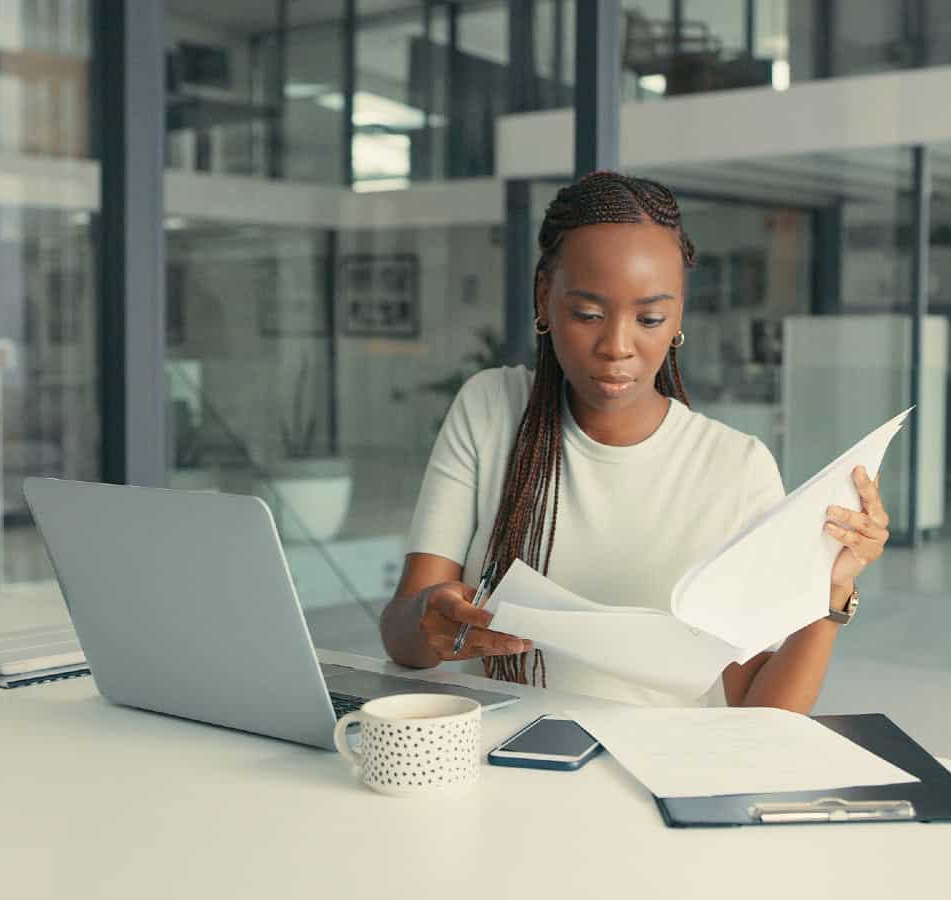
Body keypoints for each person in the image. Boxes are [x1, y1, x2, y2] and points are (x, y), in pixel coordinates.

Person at [379, 172, 888, 712]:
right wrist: (428, 622)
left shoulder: (736, 468)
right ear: (544, 295)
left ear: (678, 315)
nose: (617, 346)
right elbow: (402, 637)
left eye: (649, 317)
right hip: (495, 763)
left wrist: (828, 593)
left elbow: (761, 716)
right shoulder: (489, 408)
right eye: (588, 314)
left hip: (654, 777)